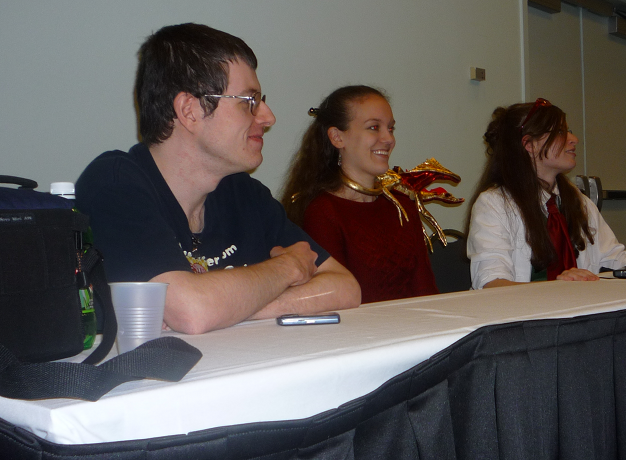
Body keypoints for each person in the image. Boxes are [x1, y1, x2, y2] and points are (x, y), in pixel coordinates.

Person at [76, 23, 360, 334]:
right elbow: (193, 311)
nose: (267, 117)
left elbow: (345, 288)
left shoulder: (243, 193)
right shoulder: (114, 184)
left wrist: (234, 307)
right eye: (249, 102)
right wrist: (288, 267)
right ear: (190, 110)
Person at [467, 98, 626, 289]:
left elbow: (617, 260)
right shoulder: (494, 204)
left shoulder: (577, 201)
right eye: (560, 132)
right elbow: (491, 284)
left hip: (579, 316)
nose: (574, 139)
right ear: (529, 145)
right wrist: (554, 288)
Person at [281, 85, 439, 303]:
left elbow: (428, 294)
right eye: (374, 127)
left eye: (390, 129)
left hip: (416, 331)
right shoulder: (322, 212)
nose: (388, 139)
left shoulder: (402, 206)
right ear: (337, 137)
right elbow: (338, 302)